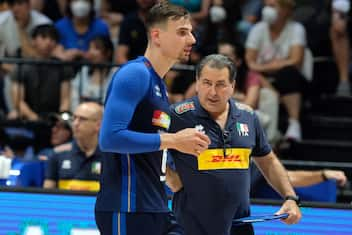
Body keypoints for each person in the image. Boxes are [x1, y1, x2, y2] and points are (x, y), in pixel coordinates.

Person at [95, 2, 210, 235]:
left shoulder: (158, 83)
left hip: (156, 205)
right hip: (128, 207)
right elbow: (110, 138)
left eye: (191, 32)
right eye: (182, 32)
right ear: (156, 35)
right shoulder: (135, 74)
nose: (192, 40)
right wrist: (174, 140)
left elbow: (150, 146)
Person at [166, 54, 301, 235]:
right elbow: (145, 148)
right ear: (197, 83)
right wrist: (171, 178)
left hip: (240, 226)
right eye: (206, 83)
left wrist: (290, 197)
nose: (213, 92)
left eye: (221, 84)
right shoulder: (177, 116)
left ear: (233, 86)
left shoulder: (248, 116)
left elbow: (268, 161)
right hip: (191, 227)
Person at [245, 0, 307, 141]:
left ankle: (294, 123)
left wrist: (263, 66)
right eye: (266, 6)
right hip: (261, 78)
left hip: (287, 78)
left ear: (285, 9)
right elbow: (249, 62)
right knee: (251, 75)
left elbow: (296, 60)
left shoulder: (296, 29)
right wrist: (274, 65)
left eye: (272, 6)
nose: (267, 10)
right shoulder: (258, 29)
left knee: (288, 73)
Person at [8, 24, 72, 121]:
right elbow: (18, 101)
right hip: (27, 119)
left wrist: (61, 119)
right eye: (43, 37)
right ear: (33, 41)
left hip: (54, 118)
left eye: (52, 39)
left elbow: (65, 99)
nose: (48, 42)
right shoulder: (21, 66)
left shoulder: (62, 67)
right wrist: (35, 118)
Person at [43, 102, 104, 191]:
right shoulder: (57, 154)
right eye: (74, 118)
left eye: (82, 119)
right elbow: (47, 193)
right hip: (65, 204)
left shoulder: (110, 156)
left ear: (98, 125)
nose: (75, 123)